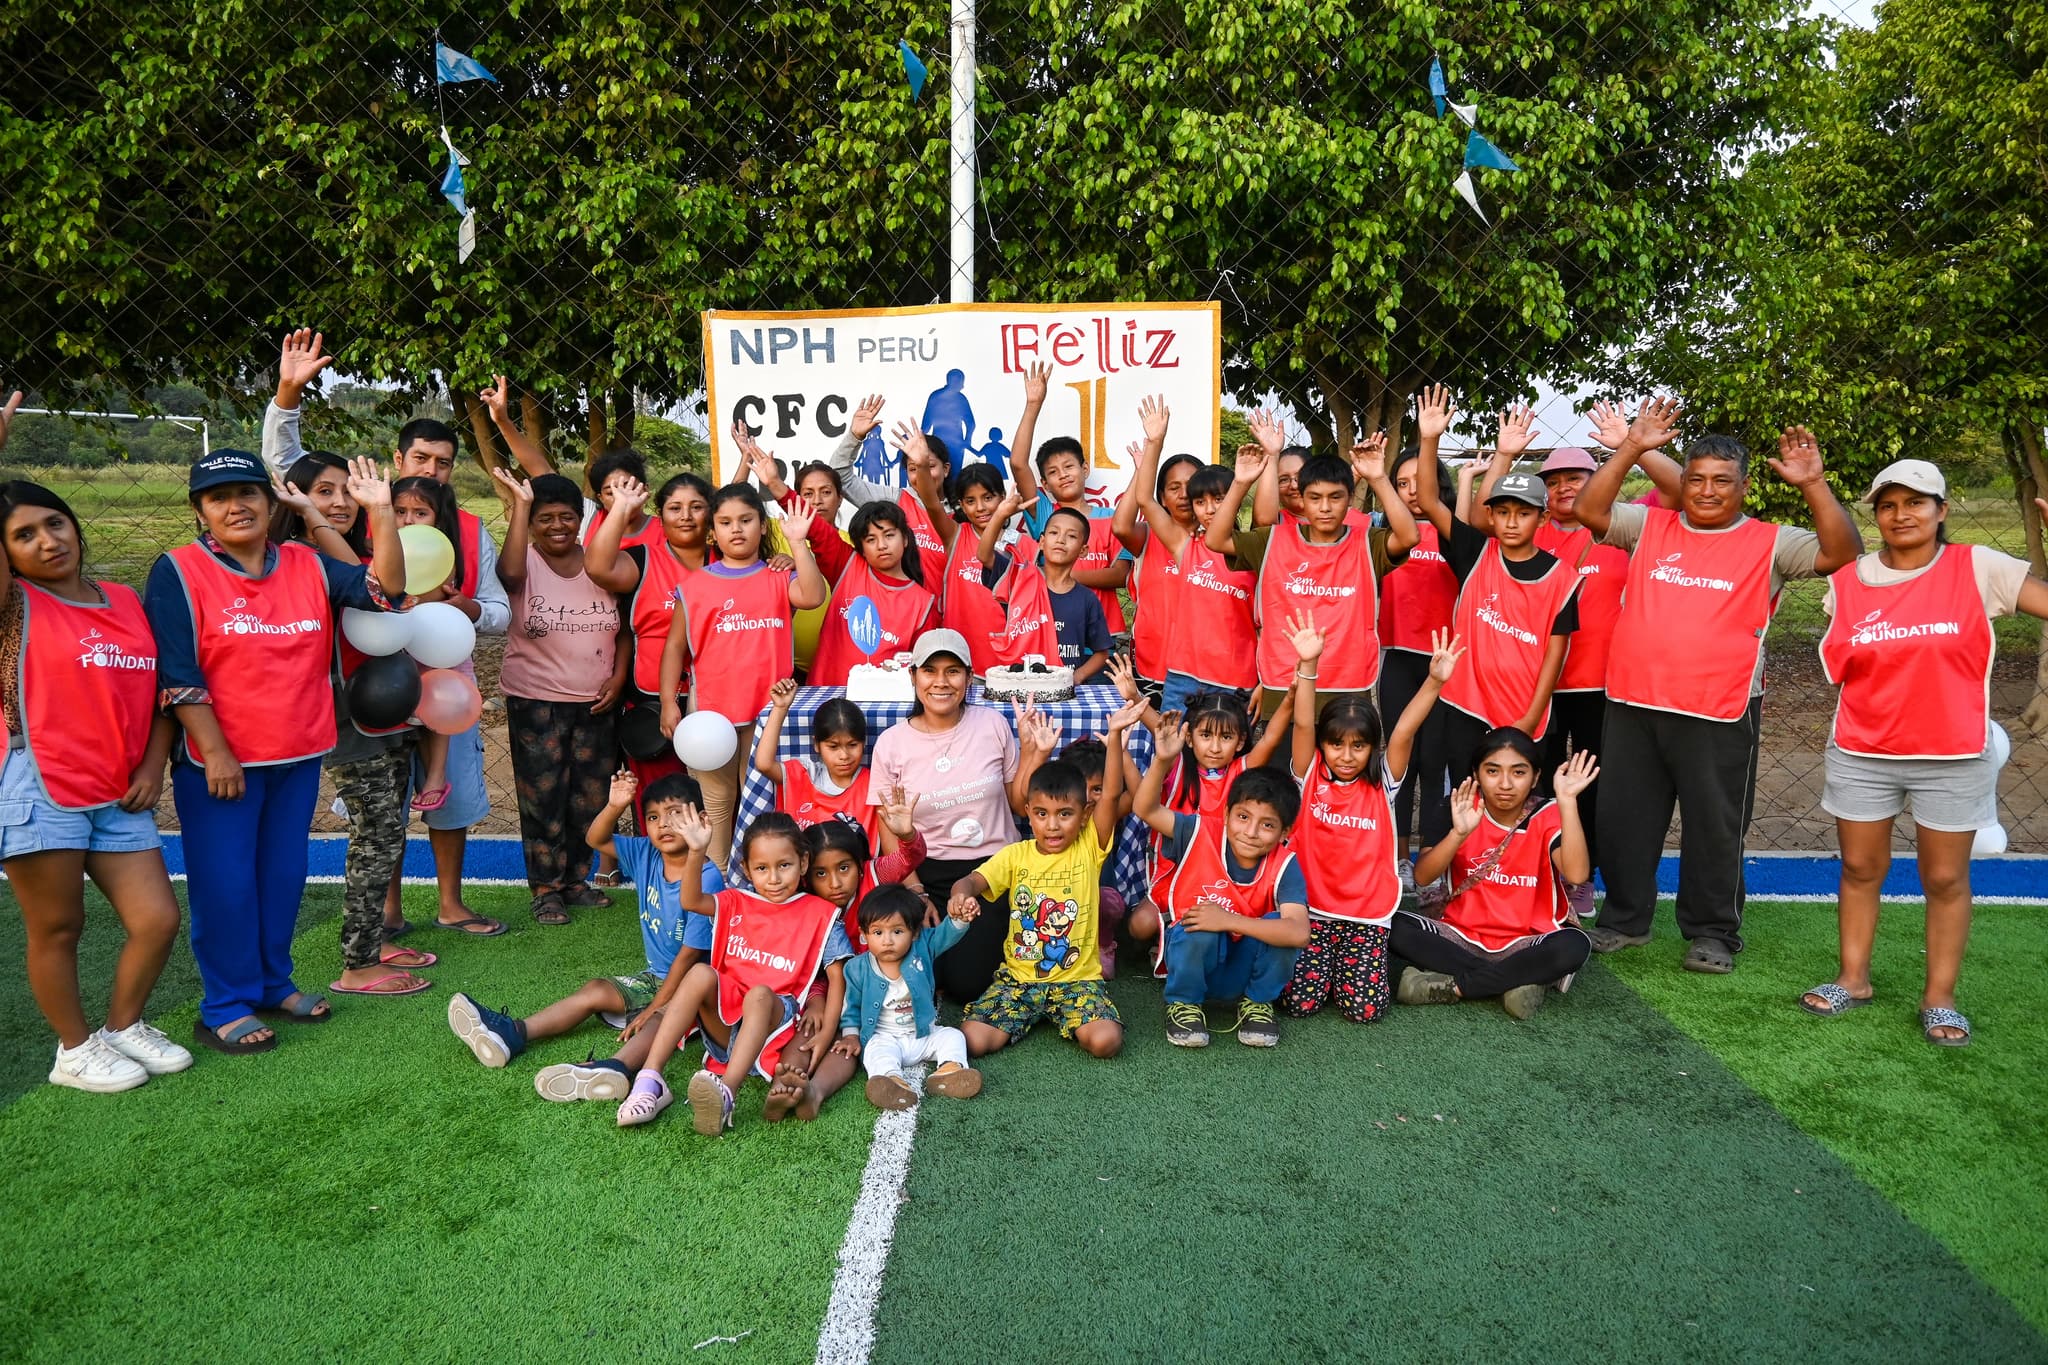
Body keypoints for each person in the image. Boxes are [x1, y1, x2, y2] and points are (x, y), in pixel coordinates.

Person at [1574, 401, 1862, 972]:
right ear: (1682, 482)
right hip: (1633, 701)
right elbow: (1589, 509)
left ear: (1744, 488)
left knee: (1715, 824)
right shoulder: (1649, 525)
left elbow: (1842, 552)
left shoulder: (1771, 541)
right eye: (1696, 480)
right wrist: (1630, 446)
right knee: (1625, 819)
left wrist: (1814, 483)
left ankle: (1711, 932)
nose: (1707, 492)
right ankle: (1626, 919)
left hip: (1721, 709)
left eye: (1722, 482)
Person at [144, 450, 406, 1054]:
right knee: (226, 883)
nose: (236, 506)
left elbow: (385, 592)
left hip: (298, 753)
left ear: (272, 501)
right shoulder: (179, 570)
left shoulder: (306, 563)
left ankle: (271, 982)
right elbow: (178, 674)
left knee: (281, 877)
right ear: (199, 510)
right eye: (218, 497)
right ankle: (224, 1003)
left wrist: (381, 513)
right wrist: (215, 752)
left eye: (248, 494)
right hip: (221, 763)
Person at [1801, 464, 2048, 1046]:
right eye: (1888, 505)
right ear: (1877, 515)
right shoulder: (1850, 579)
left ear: (1942, 511)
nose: (1902, 514)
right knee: (1860, 869)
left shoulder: (1978, 567)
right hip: (1862, 749)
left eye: (1917, 502)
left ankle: (1940, 998)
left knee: (1944, 877)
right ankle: (1853, 978)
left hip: (1954, 752)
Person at [0, 473, 190, 1091]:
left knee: (157, 919)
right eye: (23, 535)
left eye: (54, 523)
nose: (47, 541)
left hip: (118, 788)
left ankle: (123, 1027)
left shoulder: (124, 599)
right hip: (41, 783)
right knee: (59, 927)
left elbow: (163, 696)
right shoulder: (14, 605)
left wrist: (151, 764)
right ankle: (74, 1050)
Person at [1474, 400, 1684, 919]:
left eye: (1578, 477)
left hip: (1601, 686)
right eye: (1556, 479)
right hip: (1532, 687)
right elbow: (1482, 515)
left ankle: (1581, 876)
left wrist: (1631, 448)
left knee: (1590, 786)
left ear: (1601, 477)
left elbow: (1681, 493)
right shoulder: (1527, 531)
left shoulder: (1625, 529)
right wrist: (1503, 456)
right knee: (1529, 782)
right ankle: (1527, 869)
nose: (1566, 487)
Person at [451, 772, 720, 1097]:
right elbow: (596, 839)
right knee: (596, 989)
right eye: (653, 817)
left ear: (701, 820)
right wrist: (614, 805)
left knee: (660, 1018)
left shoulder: (707, 878)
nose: (663, 824)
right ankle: (513, 1033)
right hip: (655, 976)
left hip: (697, 988)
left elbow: (690, 956)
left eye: (676, 813)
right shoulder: (647, 853)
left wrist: (656, 1006)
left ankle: (616, 1067)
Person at [274, 456, 434, 993]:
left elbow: (390, 591)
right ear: (295, 499)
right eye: (325, 492)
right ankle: (358, 962)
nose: (342, 502)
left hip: (385, 707)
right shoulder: (297, 556)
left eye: (349, 491)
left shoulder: (354, 552)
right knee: (376, 833)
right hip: (344, 717)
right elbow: (378, 590)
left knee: (387, 832)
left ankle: (373, 939)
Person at [1278, 615, 1463, 1024]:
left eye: (1358, 745)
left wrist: (1434, 681)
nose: (1346, 755)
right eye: (1336, 744)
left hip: (1365, 916)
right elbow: (1304, 722)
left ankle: (1349, 969)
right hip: (1312, 913)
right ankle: (1322, 970)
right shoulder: (1309, 775)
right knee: (1297, 1004)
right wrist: (1308, 665)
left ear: (1371, 748)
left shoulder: (1384, 785)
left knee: (1365, 1010)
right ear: (1323, 745)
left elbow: (1404, 733)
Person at [616, 811, 842, 1132]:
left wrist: (827, 1028)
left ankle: (726, 1093)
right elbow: (691, 899)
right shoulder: (737, 901)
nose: (774, 878)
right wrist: (697, 851)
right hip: (726, 1030)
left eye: (784, 866)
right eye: (762, 868)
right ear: (747, 870)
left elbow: (837, 977)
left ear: (803, 863)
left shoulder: (822, 914)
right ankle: (651, 1080)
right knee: (700, 973)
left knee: (760, 994)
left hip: (775, 1031)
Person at [1413, 392, 1582, 795]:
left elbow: (1554, 658)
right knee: (1468, 799)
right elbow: (1428, 500)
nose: (1511, 522)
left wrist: (1530, 718)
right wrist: (1429, 439)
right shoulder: (1475, 552)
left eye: (1523, 513)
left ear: (1541, 519)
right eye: (1502, 512)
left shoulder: (1563, 577)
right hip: (1467, 705)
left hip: (1525, 713)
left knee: (1519, 805)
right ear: (1490, 515)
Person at [951, 707, 1137, 1061]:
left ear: (1083, 816)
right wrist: (961, 895)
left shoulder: (1089, 846)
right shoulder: (1015, 855)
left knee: (1105, 1042)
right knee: (971, 1041)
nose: (1052, 825)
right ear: (1029, 813)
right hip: (1018, 982)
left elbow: (1111, 795)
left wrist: (1114, 738)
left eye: (1064, 814)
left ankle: (1065, 1015)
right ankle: (1025, 1016)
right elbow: (973, 880)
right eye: (1042, 814)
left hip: (1077, 983)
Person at [657, 484, 827, 866]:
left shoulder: (778, 577)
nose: (737, 530)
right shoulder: (695, 586)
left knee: (768, 807)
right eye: (726, 522)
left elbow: (814, 596)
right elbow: (673, 648)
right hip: (711, 717)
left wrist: (797, 545)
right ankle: (717, 889)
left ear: (763, 527)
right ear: (712, 532)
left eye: (746, 520)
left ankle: (765, 886)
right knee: (715, 806)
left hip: (770, 713)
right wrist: (669, 702)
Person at [490, 469, 630, 925]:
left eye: (567, 517)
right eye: (546, 518)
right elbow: (508, 575)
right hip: (537, 702)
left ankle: (576, 879)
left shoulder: (599, 562)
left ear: (581, 519)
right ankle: (546, 888)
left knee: (588, 796)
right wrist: (520, 505)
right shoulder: (523, 561)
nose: (558, 527)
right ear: (532, 523)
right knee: (543, 797)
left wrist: (619, 677)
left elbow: (627, 628)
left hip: (596, 701)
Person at [1204, 436, 1417, 718]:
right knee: (1281, 762)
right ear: (1302, 499)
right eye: (1315, 498)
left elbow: (1409, 536)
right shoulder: (1272, 540)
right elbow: (1216, 539)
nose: (1325, 507)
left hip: (1348, 684)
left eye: (1335, 497)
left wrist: (1377, 477)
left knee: (1344, 762)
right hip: (1284, 681)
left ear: (1350, 498)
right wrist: (1241, 483)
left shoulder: (1368, 542)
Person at [868, 630, 1030, 1000]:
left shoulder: (992, 724)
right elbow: (889, 827)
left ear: (969, 677)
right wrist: (915, 892)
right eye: (930, 671)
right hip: (926, 870)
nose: (941, 682)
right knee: (912, 973)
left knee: (966, 984)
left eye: (953, 671)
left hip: (992, 869)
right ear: (913, 677)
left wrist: (1034, 754)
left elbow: (1018, 806)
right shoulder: (893, 743)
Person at [1396, 738, 1598, 1019]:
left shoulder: (1549, 812)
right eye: (1492, 771)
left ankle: (1458, 987)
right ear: (1477, 773)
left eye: (1518, 772)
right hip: (1460, 935)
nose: (1505, 784)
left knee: (1575, 946)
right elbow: (1423, 876)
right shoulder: (1458, 805)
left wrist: (1568, 801)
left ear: (1536, 776)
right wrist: (1458, 833)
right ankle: (1515, 982)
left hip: (1528, 941)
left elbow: (1577, 874)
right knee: (1391, 925)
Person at [1132, 755, 1311, 1048]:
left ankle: (1257, 1003)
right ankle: (1184, 1003)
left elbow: (1299, 932)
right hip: (1196, 959)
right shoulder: (1198, 831)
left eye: (1267, 825)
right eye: (1243, 817)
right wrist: (1163, 760)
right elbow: (1145, 808)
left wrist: (1228, 919)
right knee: (1199, 921)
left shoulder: (1285, 864)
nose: (1251, 832)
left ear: (1285, 833)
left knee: (1280, 927)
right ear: (1226, 813)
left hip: (1243, 967)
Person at [766, 806, 929, 1119]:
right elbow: (809, 965)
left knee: (848, 1041)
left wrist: (906, 834)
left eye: (844, 868)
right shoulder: (806, 904)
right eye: (821, 874)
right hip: (830, 987)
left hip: (877, 990)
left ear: (860, 865)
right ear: (806, 876)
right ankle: (781, 1088)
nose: (835, 883)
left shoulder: (875, 874)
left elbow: (911, 857)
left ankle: (814, 1093)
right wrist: (815, 1001)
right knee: (808, 1027)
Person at [585, 471, 713, 800]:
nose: (686, 516)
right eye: (675, 508)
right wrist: (621, 510)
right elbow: (597, 567)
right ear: (661, 514)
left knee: (716, 805)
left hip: (718, 703)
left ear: (711, 513)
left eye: (697, 507)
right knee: (662, 802)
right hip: (652, 704)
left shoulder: (728, 561)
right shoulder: (644, 559)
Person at [1375, 446, 1460, 892]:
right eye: (1401, 483)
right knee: (1400, 759)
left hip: (1444, 661)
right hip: (1399, 659)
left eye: (1418, 482)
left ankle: (1430, 856)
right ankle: (1399, 857)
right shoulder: (1384, 533)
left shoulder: (1453, 532)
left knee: (1434, 762)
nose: (1410, 492)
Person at [1003, 364, 1133, 631]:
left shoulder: (1112, 518)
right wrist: (1033, 404)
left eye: (1069, 467)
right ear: (1044, 484)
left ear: (1085, 469)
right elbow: (1018, 463)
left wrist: (1061, 576)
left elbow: (1120, 575)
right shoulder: (1046, 515)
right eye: (1053, 472)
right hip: (1053, 628)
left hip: (1104, 633)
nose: (1062, 475)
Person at [836, 884, 984, 1109]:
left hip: (923, 1035)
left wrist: (961, 918)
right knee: (876, 1052)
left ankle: (950, 1071)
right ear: (864, 935)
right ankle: (891, 1081)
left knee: (953, 1036)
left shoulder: (922, 948)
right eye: (878, 932)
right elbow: (851, 1007)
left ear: (914, 933)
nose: (887, 940)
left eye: (897, 931)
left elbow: (945, 934)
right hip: (884, 1037)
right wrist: (850, 1035)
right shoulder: (857, 969)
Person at [1112, 424, 1202, 706]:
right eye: (1174, 488)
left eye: (1192, 486)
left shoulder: (1220, 541)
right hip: (1153, 663)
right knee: (1154, 743)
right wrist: (1141, 470)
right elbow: (1120, 526)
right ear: (1161, 498)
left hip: (1203, 668)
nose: (1184, 494)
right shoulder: (1147, 535)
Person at [976, 496, 1113, 682]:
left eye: (1071, 536)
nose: (1061, 540)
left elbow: (1102, 651)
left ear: (1083, 550)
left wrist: (1078, 676)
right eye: (1054, 533)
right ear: (1041, 541)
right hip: (1020, 684)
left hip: (1063, 691)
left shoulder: (1087, 599)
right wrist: (1000, 514)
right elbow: (984, 555)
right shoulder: (1020, 578)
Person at [819, 395, 952, 586]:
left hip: (950, 613)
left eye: (928, 466)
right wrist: (854, 437)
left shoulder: (964, 511)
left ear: (945, 469)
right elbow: (839, 476)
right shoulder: (896, 501)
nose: (921, 474)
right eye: (913, 469)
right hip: (903, 610)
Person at [940, 464, 1058, 673]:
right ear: (961, 505)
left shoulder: (1026, 547)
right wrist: (921, 464)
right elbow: (932, 505)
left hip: (1012, 667)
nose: (980, 507)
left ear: (1004, 497)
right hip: (962, 662)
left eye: (988, 497)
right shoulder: (955, 535)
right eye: (970, 501)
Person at [754, 682, 879, 845]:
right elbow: (764, 764)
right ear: (816, 745)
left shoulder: (873, 783)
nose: (844, 755)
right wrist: (780, 708)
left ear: (864, 743)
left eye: (853, 745)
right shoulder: (803, 775)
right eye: (833, 746)